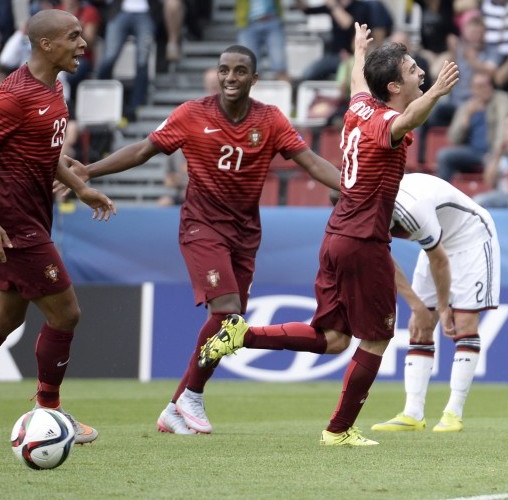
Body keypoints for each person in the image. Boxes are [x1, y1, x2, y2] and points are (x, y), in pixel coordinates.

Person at [196, 23, 460, 446]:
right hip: (362, 241)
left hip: (336, 235)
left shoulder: (360, 107)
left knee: (334, 339)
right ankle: (338, 430)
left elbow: (359, 81)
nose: (421, 74)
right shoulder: (388, 121)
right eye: (413, 71)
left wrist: (359, 50)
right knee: (376, 337)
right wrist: (438, 93)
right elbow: (409, 117)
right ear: (393, 85)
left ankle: (242, 334)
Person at [63, 44, 341, 435]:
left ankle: (176, 407)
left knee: (229, 324)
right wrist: (88, 172)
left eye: (240, 71)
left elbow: (310, 161)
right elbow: (145, 149)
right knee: (227, 311)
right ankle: (191, 397)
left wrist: (352, 186)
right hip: (202, 227)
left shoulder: (271, 119)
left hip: (245, 232)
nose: (230, 78)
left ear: (254, 79)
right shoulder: (193, 114)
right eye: (224, 69)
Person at [0, 9, 116, 445]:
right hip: (15, 225)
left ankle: (48, 409)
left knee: (1, 321)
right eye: (73, 36)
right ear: (46, 44)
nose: (83, 43)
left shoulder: (54, 87)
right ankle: (51, 412)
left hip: (34, 217)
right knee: (67, 313)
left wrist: (80, 187)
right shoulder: (8, 97)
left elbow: (46, 150)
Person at [370, 172, 500, 433]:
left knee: (463, 322)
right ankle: (413, 413)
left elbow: (439, 260)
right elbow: (381, 258)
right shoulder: (366, 209)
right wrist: (416, 305)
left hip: (471, 238)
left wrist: (443, 307)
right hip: (437, 243)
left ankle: (454, 412)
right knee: (418, 324)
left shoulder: (410, 210)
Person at [95, 0, 164, 120]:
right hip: (121, 11)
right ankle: (103, 98)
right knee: (109, 56)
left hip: (145, 11)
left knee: (142, 60)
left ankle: (136, 105)